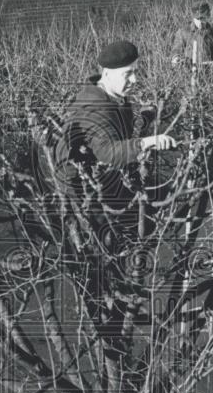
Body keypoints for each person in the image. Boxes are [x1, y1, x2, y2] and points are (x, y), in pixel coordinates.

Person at [44, 40, 175, 248]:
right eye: (127, 74)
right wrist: (148, 142)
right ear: (106, 73)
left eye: (136, 72)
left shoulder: (111, 95)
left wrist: (144, 118)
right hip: (80, 190)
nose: (135, 79)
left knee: (155, 198)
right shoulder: (97, 105)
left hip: (100, 176)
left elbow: (118, 132)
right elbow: (107, 152)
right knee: (113, 242)